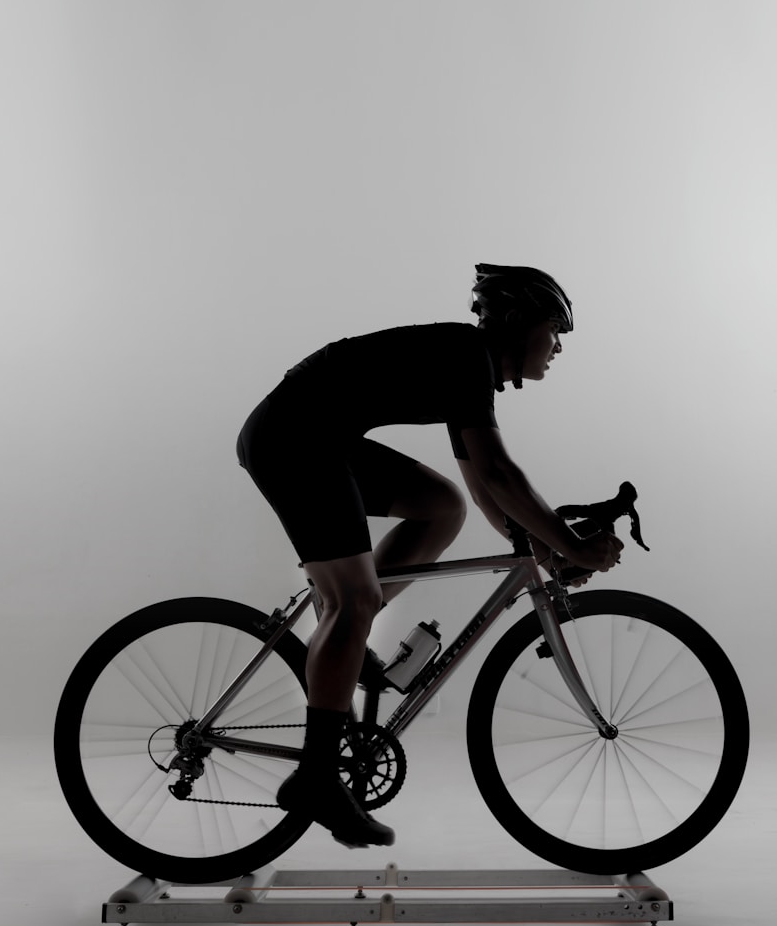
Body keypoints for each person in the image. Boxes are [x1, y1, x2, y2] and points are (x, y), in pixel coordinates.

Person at [233, 264, 625, 848]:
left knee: (441, 506)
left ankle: (345, 619)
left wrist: (544, 553)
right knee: (355, 598)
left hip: (314, 437)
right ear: (520, 325)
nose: (559, 346)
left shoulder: (468, 367)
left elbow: (485, 492)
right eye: (554, 329)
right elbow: (500, 473)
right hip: (295, 440)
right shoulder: (467, 358)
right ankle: (315, 775)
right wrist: (570, 547)